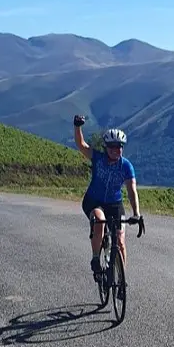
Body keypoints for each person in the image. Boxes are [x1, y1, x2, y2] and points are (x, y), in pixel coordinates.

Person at [72, 115, 142, 284]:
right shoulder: (98, 159)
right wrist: (77, 127)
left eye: (119, 147)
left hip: (114, 203)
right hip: (93, 201)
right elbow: (81, 146)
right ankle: (96, 258)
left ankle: (121, 279)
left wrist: (136, 213)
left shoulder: (126, 166)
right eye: (112, 147)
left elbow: (132, 189)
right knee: (100, 221)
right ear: (106, 147)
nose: (116, 150)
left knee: (120, 241)